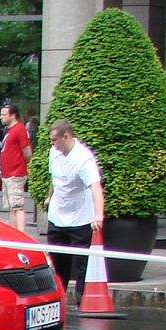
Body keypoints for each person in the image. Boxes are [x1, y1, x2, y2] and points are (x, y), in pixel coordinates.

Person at [45, 119, 105, 302]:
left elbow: (95, 187)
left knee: (81, 264)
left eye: (55, 140)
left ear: (66, 136)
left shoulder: (83, 158)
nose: (52, 144)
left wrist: (98, 215)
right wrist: (49, 197)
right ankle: (58, 299)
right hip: (58, 214)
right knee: (57, 261)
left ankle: (82, 299)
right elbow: (54, 178)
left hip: (80, 217)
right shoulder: (54, 153)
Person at [0, 103, 33, 234]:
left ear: (13, 115)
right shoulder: (9, 130)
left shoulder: (20, 129)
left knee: (17, 205)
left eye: (4, 114)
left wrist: (25, 166)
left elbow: (27, 152)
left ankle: (21, 232)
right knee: (12, 205)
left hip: (16, 173)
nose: (1, 117)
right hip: (8, 173)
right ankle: (14, 231)